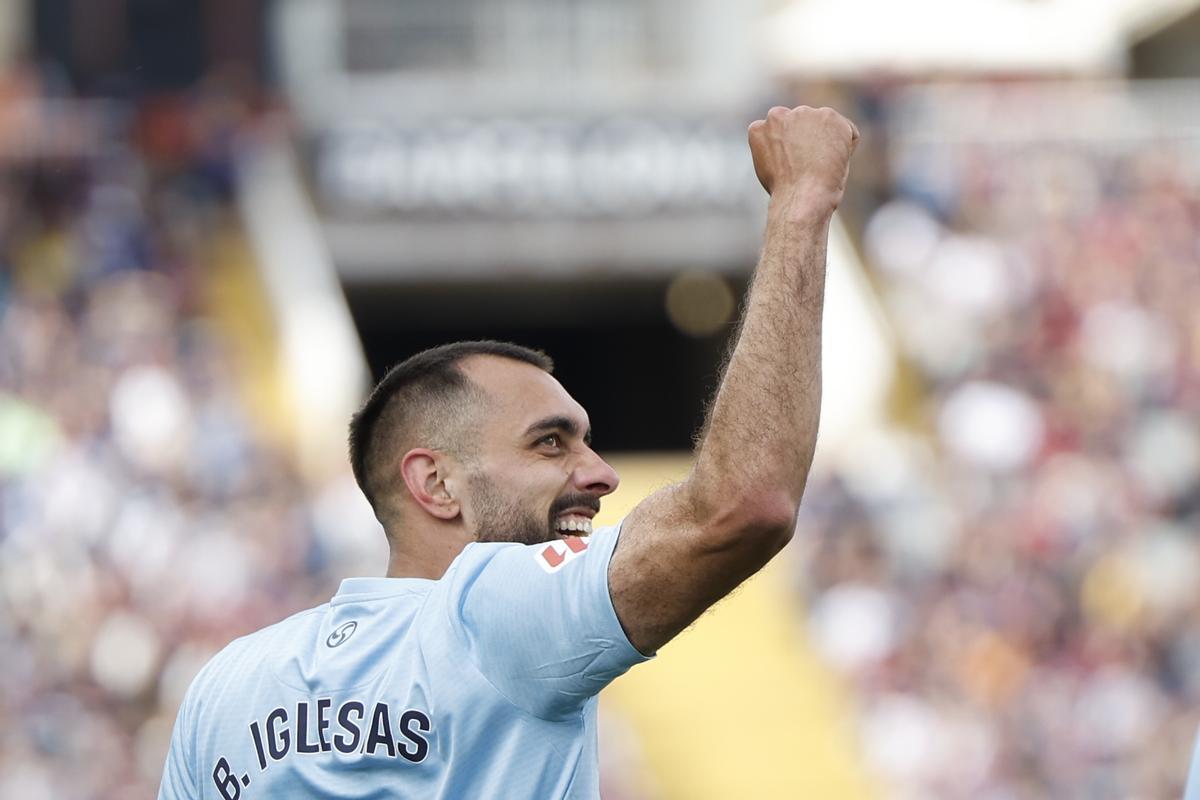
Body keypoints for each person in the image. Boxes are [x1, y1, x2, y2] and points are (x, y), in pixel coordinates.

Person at [157, 105, 859, 799]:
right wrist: (801, 205)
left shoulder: (226, 685)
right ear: (435, 483)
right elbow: (745, 506)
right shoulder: (497, 613)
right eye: (550, 443)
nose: (601, 474)